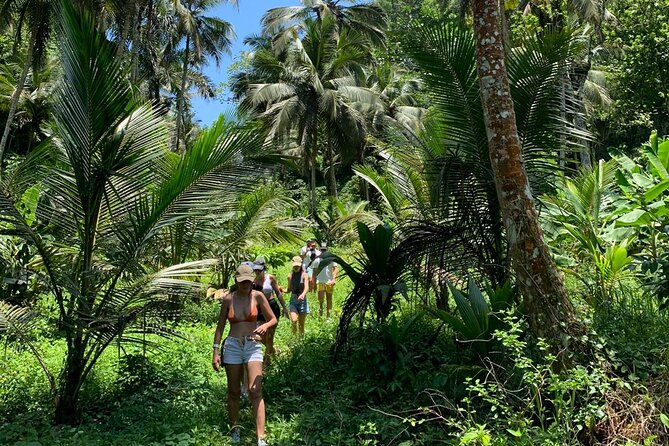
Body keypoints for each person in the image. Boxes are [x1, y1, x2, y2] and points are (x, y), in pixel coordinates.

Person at [212, 263, 277, 446]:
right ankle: (235, 430)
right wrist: (216, 350)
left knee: (254, 390)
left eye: (248, 281)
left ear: (252, 281)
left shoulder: (257, 296)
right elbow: (220, 326)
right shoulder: (228, 299)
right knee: (233, 391)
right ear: (236, 280)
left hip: (252, 345)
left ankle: (261, 438)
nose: (245, 285)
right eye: (242, 282)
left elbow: (273, 318)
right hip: (232, 345)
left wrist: (263, 326)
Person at [252, 256, 289, 358]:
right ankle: (273, 350)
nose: (257, 272)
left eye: (259, 270)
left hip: (272, 306)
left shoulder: (271, 278)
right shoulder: (253, 282)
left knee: (269, 336)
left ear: (264, 268)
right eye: (255, 270)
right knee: (261, 336)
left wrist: (284, 308)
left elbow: (278, 293)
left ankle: (266, 363)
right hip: (260, 309)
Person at [311, 242, 337, 318]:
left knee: (329, 298)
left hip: (329, 281)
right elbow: (314, 272)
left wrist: (334, 279)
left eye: (324, 250)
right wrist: (313, 283)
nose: (323, 251)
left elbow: (335, 269)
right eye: (322, 250)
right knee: (320, 298)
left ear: (326, 249)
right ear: (320, 250)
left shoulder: (331, 259)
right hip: (320, 281)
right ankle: (321, 308)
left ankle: (328, 315)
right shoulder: (317, 260)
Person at [287, 255, 310, 337]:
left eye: (298, 266)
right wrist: (282, 290)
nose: (296, 267)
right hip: (293, 299)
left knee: (301, 325)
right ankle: (294, 337)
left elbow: (307, 287)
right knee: (294, 320)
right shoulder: (290, 276)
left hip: (302, 301)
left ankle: (300, 340)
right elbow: (289, 289)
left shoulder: (305, 275)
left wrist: (303, 294)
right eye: (295, 266)